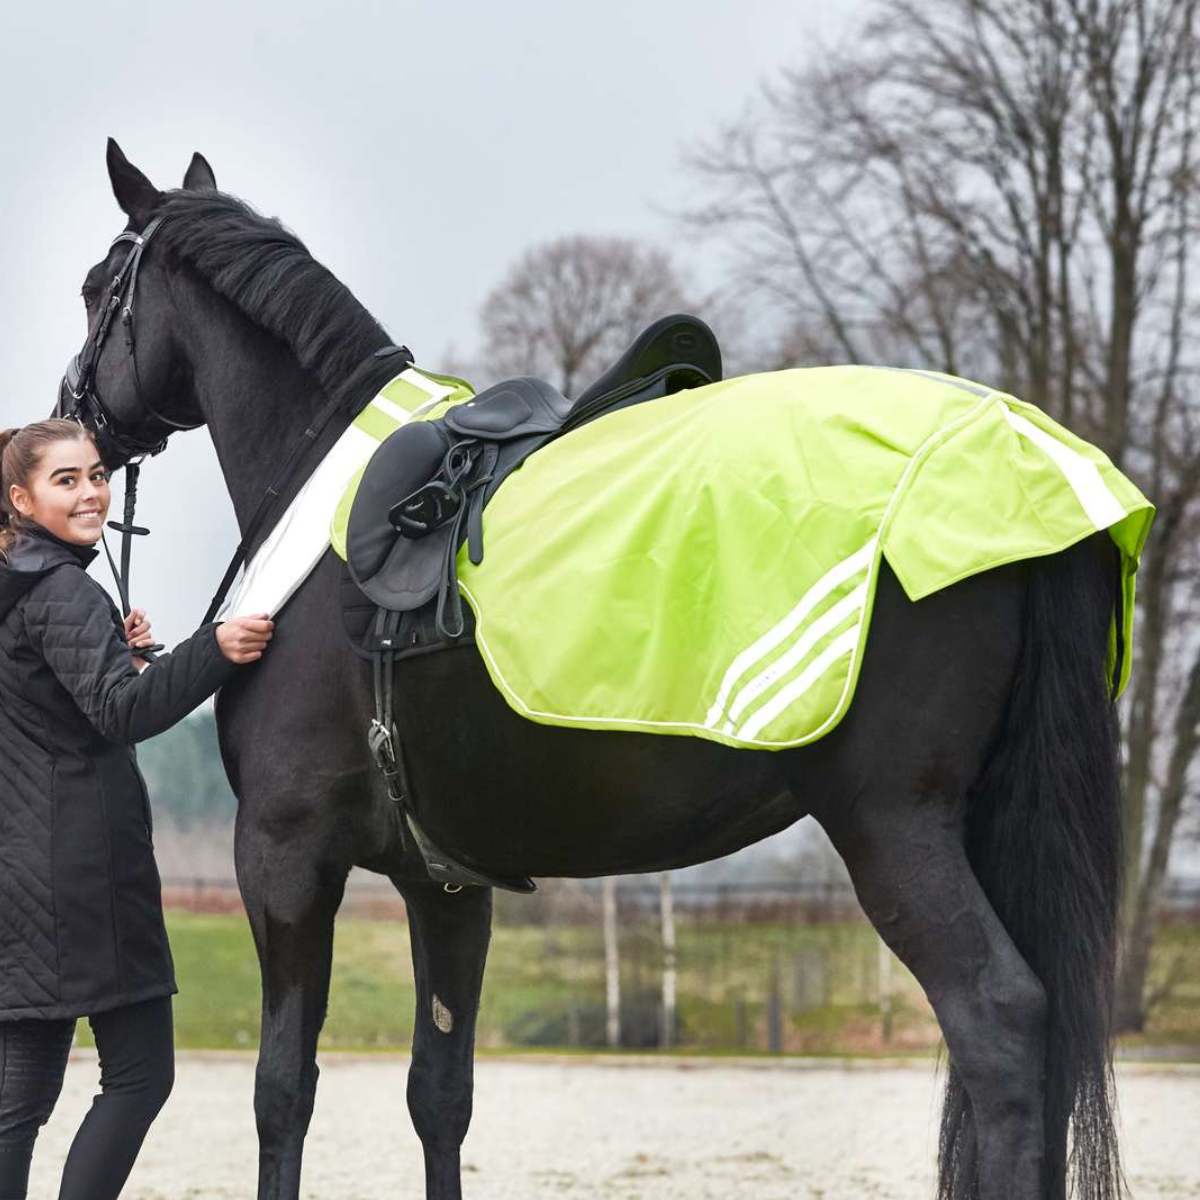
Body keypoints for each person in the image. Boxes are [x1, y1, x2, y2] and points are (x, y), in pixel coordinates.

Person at [0, 418, 273, 1200]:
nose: (90, 492)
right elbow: (123, 713)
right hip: (81, 875)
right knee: (140, 1076)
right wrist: (213, 650)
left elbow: (53, 701)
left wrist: (118, 655)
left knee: (16, 1105)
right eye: (65, 480)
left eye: (95, 474)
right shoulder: (61, 591)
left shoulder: (19, 586)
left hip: (19, 877)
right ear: (21, 498)